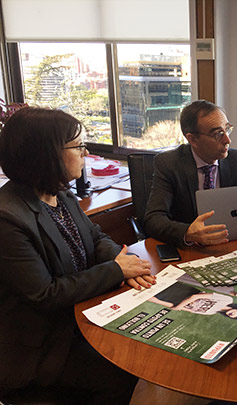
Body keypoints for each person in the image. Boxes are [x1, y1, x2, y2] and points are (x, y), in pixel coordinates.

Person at [0, 107, 155, 404]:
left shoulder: (60, 193)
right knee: (127, 372)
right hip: (40, 345)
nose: (85, 152)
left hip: (78, 318)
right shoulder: (7, 218)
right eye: (78, 145)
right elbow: (45, 293)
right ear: (46, 153)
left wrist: (126, 263)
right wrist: (115, 270)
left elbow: (95, 237)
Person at [144, 100, 237, 247]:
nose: (227, 140)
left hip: (230, 245)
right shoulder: (169, 164)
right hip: (191, 251)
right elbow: (153, 219)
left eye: (227, 129)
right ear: (193, 139)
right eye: (218, 134)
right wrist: (187, 232)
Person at [150, 283, 237, 320]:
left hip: (168, 299)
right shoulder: (227, 299)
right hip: (179, 290)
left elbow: (179, 308)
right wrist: (178, 307)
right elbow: (195, 296)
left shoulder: (210, 313)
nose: (235, 315)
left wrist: (156, 301)